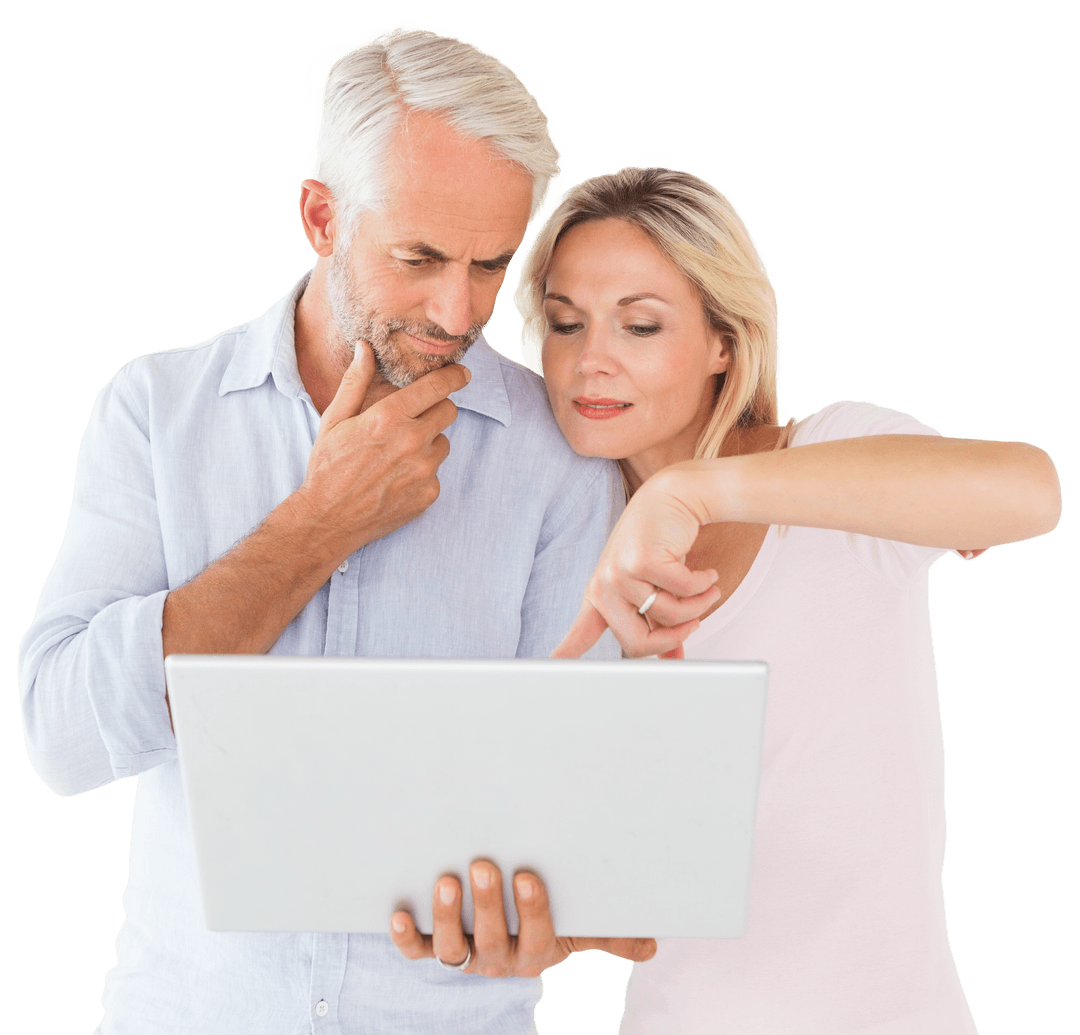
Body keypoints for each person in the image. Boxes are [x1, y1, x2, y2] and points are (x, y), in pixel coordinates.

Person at [16, 23, 657, 1035]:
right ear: (321, 217)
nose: (457, 310)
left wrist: (548, 920)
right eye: (419, 257)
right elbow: (61, 738)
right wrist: (318, 525)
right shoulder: (158, 409)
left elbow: (576, 805)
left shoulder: (561, 454)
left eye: (493, 263)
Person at [396, 160, 1062, 1032]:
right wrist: (555, 926)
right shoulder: (564, 550)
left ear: (723, 339)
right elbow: (626, 875)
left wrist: (697, 492)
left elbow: (1030, 491)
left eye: (639, 324)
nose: (589, 360)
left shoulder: (836, 459)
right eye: (564, 324)